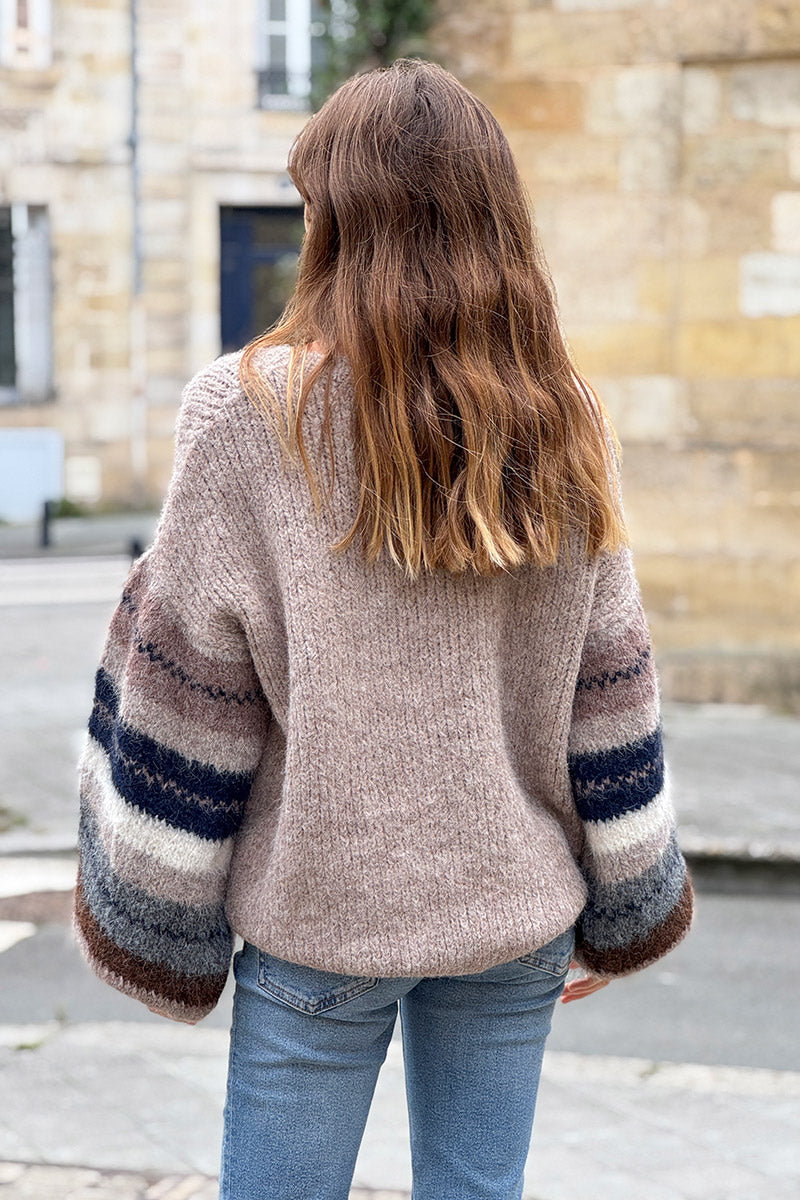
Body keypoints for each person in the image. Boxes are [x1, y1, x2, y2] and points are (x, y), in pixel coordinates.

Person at [72, 58, 694, 1200]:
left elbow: (187, 693)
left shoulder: (247, 410)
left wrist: (160, 918)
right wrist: (626, 895)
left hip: (322, 921)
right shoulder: (562, 413)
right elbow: (611, 684)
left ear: (341, 217)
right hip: (515, 914)